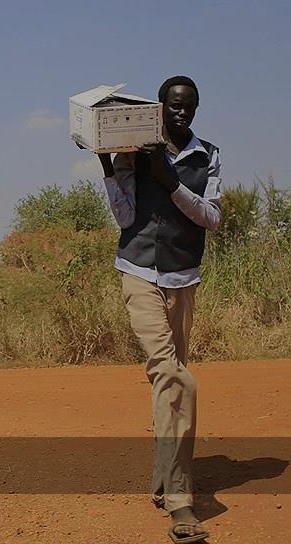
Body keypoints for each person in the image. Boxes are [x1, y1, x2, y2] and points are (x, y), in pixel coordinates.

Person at [91, 75, 219, 544]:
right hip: (139, 271)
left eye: (189, 105)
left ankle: (164, 479)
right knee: (174, 376)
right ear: (159, 107)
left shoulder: (208, 155)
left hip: (183, 279)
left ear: (196, 109)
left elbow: (212, 217)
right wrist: (108, 165)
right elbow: (125, 218)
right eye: (173, 105)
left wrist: (171, 184)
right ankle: (181, 500)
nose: (181, 112)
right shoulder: (135, 152)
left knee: (168, 383)